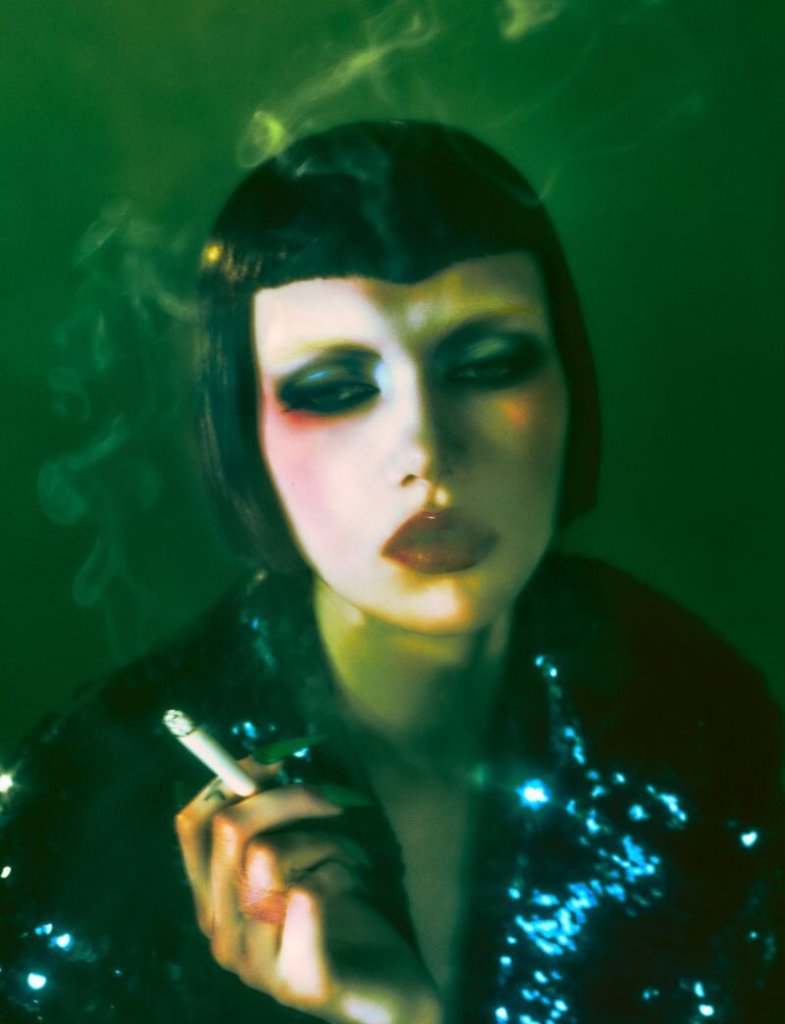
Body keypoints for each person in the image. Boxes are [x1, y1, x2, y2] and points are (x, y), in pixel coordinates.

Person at [0, 120, 782, 1024]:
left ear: (569, 388)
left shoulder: (700, 729)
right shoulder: (96, 818)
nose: (425, 452)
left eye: (487, 366)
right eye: (333, 389)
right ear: (240, 435)